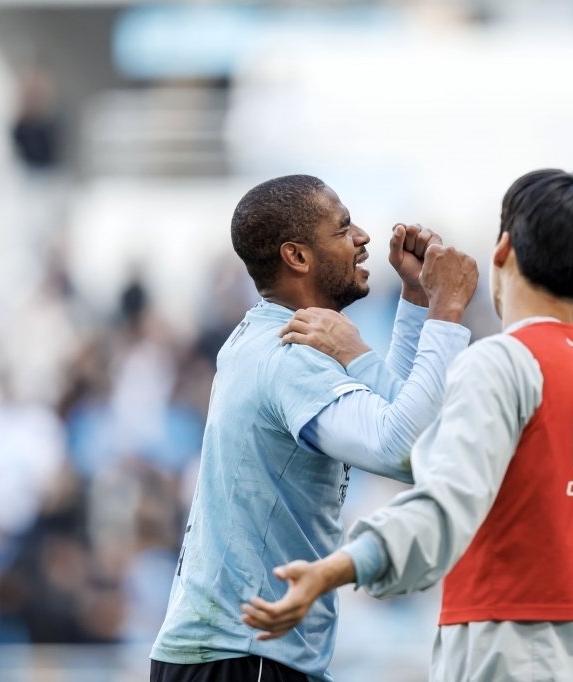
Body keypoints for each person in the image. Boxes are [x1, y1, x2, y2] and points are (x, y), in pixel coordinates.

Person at [242, 169, 573, 681]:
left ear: (504, 252)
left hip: (509, 657)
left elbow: (442, 508)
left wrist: (333, 569)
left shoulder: (502, 364)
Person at [150, 174, 479, 682]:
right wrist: (448, 312)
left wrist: (416, 301)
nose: (364, 237)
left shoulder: (270, 336)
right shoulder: (288, 355)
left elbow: (398, 415)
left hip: (237, 653)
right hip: (243, 655)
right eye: (343, 228)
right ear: (297, 257)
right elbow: (408, 448)